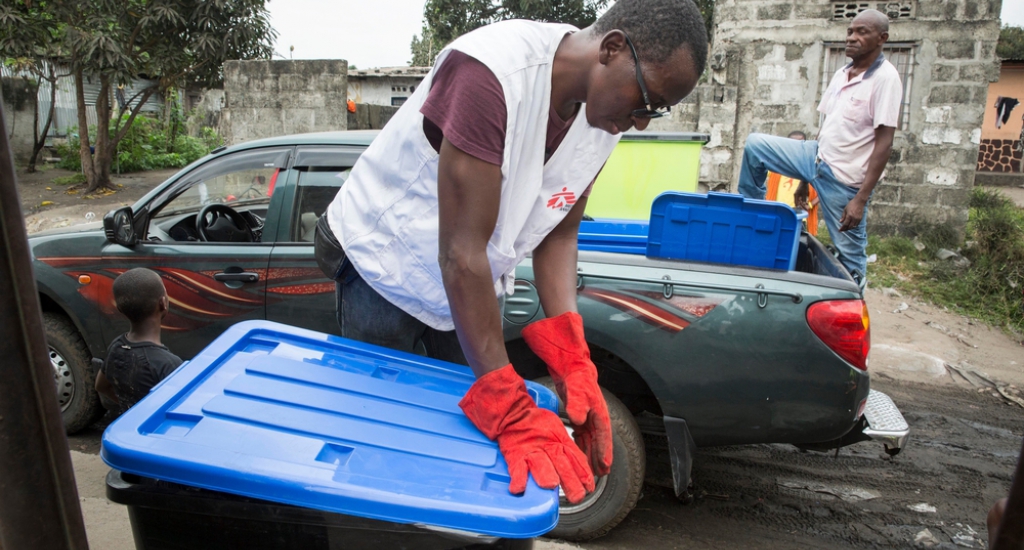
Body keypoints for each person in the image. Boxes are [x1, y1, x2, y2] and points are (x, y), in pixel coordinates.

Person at [317, 0, 707, 503]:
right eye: (646, 101)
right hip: (387, 266)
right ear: (612, 49)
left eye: (655, 111)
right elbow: (461, 252)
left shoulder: (602, 116)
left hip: (473, 283)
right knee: (384, 434)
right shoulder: (490, 74)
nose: (642, 123)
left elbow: (559, 232)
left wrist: (573, 355)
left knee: (464, 446)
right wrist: (506, 399)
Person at [737, 8, 902, 288]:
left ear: (882, 38)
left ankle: (853, 314)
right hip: (814, 157)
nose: (852, 37)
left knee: (851, 260)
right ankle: (756, 212)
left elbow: (884, 143)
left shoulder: (886, 79)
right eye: (850, 31)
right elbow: (826, 129)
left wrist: (860, 200)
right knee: (755, 146)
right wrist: (804, 180)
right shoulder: (842, 73)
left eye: (862, 32)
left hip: (844, 180)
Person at [95, 268, 182, 415]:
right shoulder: (169, 364)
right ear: (163, 303)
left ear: (120, 308)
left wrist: (134, 412)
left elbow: (101, 386)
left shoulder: (116, 346)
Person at [763, 130, 820, 236]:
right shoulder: (777, 165)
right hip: (778, 213)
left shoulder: (810, 167)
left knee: (798, 247)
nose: (796, 148)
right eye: (792, 144)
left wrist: (811, 205)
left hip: (799, 215)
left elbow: (824, 190)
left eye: (800, 144)